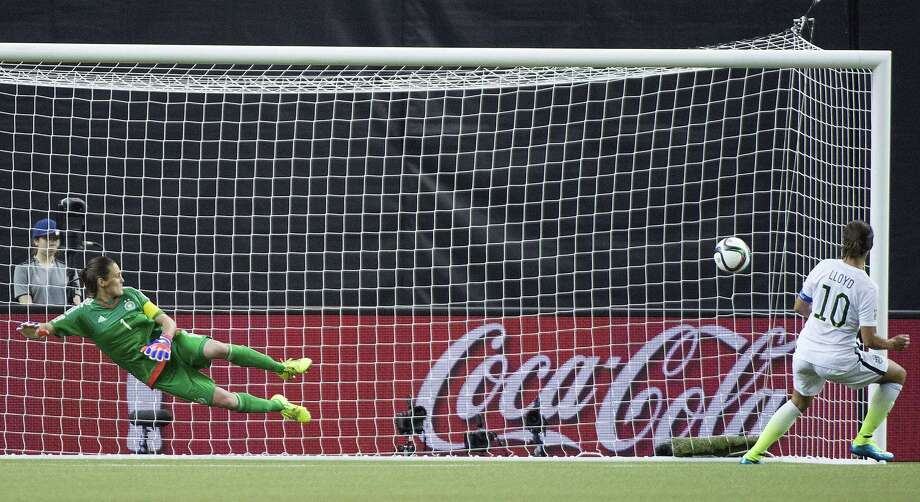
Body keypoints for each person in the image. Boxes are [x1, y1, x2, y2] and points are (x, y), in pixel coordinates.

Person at [17, 255, 312, 422]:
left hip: (171, 344)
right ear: (102, 283)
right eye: (116, 276)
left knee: (218, 347)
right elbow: (48, 329)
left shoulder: (132, 295)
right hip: (156, 371)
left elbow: (165, 320)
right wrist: (36, 331)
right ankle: (280, 406)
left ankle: (282, 368)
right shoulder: (82, 314)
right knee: (225, 400)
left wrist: (165, 340)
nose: (122, 279)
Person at [741, 220, 910, 463]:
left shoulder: (823, 267)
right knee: (897, 375)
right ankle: (863, 439)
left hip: (805, 353)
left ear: (843, 243)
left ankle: (753, 454)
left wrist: (824, 324)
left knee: (798, 401)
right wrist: (892, 344)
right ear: (869, 248)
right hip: (838, 360)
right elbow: (869, 340)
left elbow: (799, 306)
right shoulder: (867, 287)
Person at [13, 218, 81, 306]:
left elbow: (77, 305)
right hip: (38, 319)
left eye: (56, 238)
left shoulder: (69, 269)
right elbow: (27, 308)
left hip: (66, 319)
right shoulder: (23, 269)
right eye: (47, 238)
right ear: (36, 241)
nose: (52, 242)